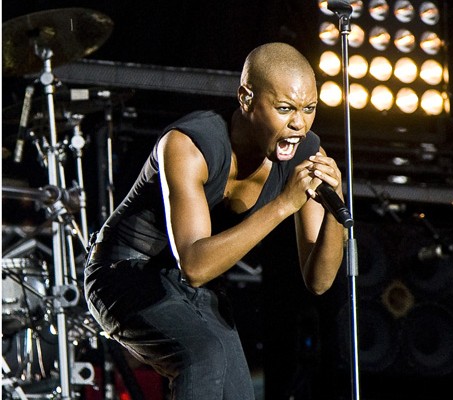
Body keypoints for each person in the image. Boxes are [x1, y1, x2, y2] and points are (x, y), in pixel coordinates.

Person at [84, 42, 345, 400]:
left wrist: (336, 211)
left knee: (236, 392)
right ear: (246, 98)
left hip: (195, 290)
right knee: (204, 355)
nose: (298, 124)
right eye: (284, 109)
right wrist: (283, 205)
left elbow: (319, 281)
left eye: (309, 108)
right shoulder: (187, 144)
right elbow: (194, 264)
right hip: (126, 272)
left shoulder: (305, 154)